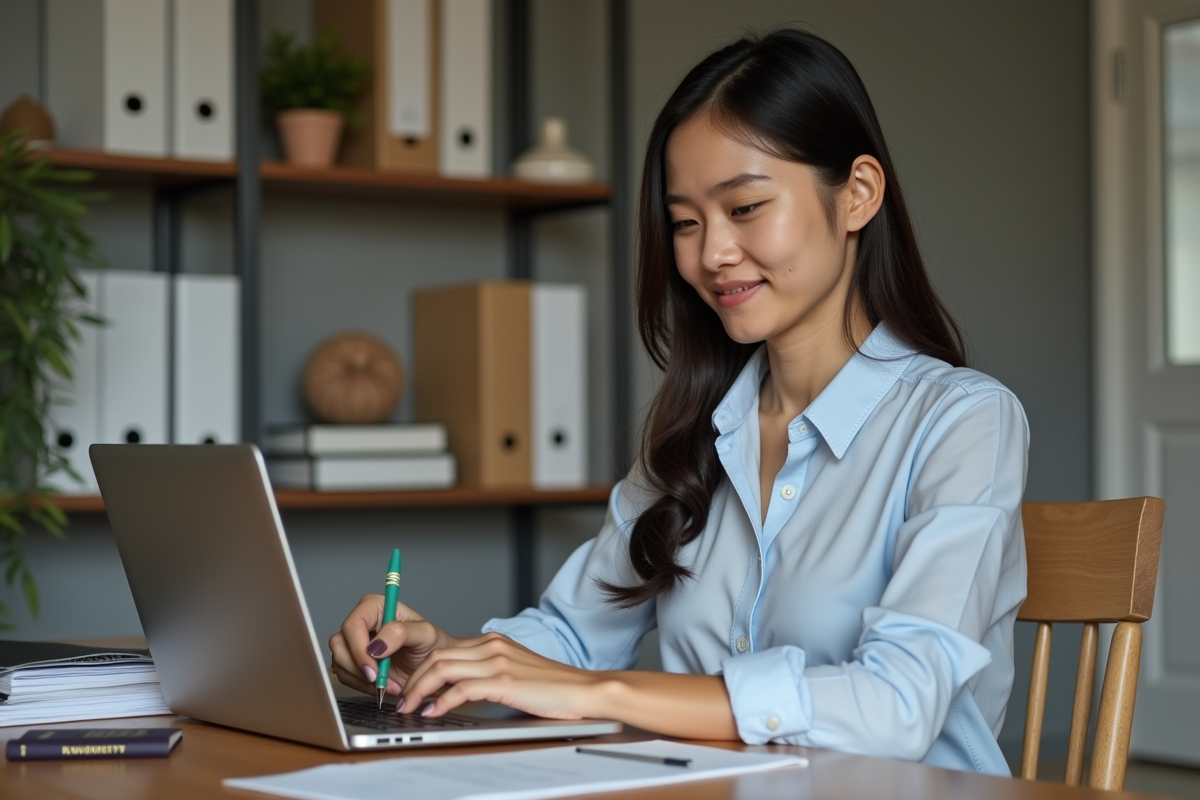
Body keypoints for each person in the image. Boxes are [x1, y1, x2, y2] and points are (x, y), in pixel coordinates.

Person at [328, 28, 1028, 775]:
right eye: (686, 222)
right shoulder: (694, 436)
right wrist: (449, 661)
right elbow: (573, 638)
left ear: (857, 194)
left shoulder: (963, 422)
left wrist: (608, 692)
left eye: (746, 207)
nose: (710, 254)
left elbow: (897, 704)